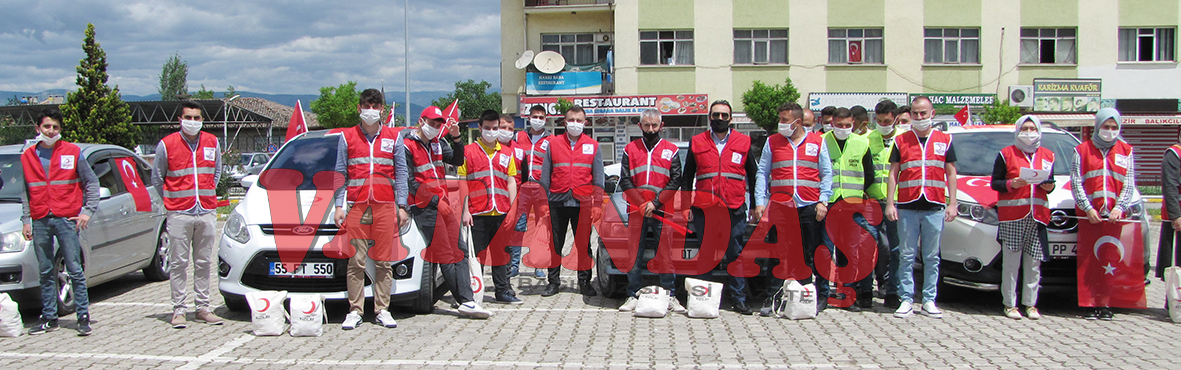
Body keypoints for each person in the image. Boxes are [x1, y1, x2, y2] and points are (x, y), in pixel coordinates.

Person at [396, 106, 492, 319]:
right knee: (447, 255)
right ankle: (465, 301)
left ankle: (467, 300)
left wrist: (457, 138)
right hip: (424, 208)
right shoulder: (407, 146)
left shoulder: (438, 144)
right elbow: (409, 181)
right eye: (432, 123)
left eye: (438, 124)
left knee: (461, 250)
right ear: (421, 121)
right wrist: (434, 201)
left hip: (444, 204)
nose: (435, 127)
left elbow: (458, 160)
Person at [21, 108, 98, 336]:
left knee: (74, 268)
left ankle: (83, 315)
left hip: (66, 218)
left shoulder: (72, 152)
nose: (51, 131)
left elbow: (91, 183)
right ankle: (49, 317)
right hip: (40, 219)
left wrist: (87, 211)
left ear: (60, 130)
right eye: (47, 127)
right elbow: (26, 191)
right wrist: (26, 219)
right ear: (38, 129)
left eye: (55, 127)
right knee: (45, 270)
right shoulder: (27, 156)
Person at [332, 89, 402, 329]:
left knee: (383, 261)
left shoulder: (394, 137)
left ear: (382, 109)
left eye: (375, 106)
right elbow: (340, 174)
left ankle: (382, 309)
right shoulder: (347, 136)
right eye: (366, 105)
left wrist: (401, 206)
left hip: (384, 206)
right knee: (356, 261)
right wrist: (338, 206)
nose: (370, 110)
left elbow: (402, 174)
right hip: (356, 206)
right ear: (359, 108)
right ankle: (355, 310)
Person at [151, 101, 225, 329]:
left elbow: (217, 172)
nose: (193, 122)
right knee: (179, 262)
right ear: (179, 120)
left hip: (206, 210)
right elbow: (157, 177)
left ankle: (202, 307)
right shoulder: (167, 144)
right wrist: (170, 202)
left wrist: (206, 192)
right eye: (188, 117)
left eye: (197, 118)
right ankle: (179, 309)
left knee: (203, 262)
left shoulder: (212, 142)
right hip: (179, 212)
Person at [753, 102, 831, 316]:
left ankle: (803, 297)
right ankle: (772, 296)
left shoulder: (817, 142)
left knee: (806, 254)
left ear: (797, 122)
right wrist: (760, 201)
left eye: (784, 120)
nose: (781, 124)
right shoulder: (773, 142)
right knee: (777, 253)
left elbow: (826, 173)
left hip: (808, 206)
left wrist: (823, 201)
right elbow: (762, 172)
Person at [885, 96, 957, 319]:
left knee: (931, 256)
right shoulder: (902, 140)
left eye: (923, 113)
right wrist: (890, 203)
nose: (919, 117)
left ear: (932, 114)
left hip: (934, 205)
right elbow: (893, 173)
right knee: (906, 255)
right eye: (915, 113)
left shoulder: (945, 139)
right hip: (907, 205)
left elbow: (951, 172)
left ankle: (928, 300)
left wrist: (952, 203)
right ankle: (906, 299)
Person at [683, 100, 757, 314]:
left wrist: (753, 205)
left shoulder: (744, 141)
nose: (720, 119)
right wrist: (686, 205)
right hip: (705, 209)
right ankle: (701, 299)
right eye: (716, 115)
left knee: (735, 254)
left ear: (731, 118)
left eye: (724, 115)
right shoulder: (697, 141)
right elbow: (688, 176)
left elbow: (753, 175)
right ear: (710, 117)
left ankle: (739, 298)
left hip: (734, 207)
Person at [1070, 108, 1135, 321]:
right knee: (1089, 261)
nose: (1110, 131)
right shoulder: (1082, 150)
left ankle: (1106, 304)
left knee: (1110, 260)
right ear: (1097, 127)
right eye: (1106, 127)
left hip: (1114, 217)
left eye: (1114, 127)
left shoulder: (1126, 151)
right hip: (1090, 216)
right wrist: (1087, 208)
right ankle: (1089, 304)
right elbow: (1076, 182)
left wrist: (1120, 207)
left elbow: (1129, 184)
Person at [617, 108, 684, 314]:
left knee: (665, 253)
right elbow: (626, 180)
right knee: (634, 254)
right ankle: (632, 294)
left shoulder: (671, 149)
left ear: (661, 126)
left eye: (654, 125)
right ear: (640, 126)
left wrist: (655, 203)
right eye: (647, 125)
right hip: (636, 210)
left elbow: (675, 180)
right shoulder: (630, 149)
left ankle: (670, 294)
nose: (651, 129)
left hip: (663, 209)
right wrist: (641, 204)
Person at [991, 115, 1054, 320]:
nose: (1028, 133)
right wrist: (1011, 184)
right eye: (1024, 129)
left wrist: (1049, 186)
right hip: (1013, 217)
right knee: (1011, 263)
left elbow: (1051, 183)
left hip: (1037, 216)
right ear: (1017, 131)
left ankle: (1030, 304)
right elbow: (995, 183)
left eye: (1032, 128)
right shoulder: (1006, 154)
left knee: (1034, 263)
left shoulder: (1048, 155)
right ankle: (1010, 304)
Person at [539, 105, 605, 297]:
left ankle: (584, 282)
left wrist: (598, 205)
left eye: (579, 120)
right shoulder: (554, 144)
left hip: (582, 204)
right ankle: (553, 282)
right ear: (564, 122)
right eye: (571, 120)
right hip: (557, 201)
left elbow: (599, 178)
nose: (575, 124)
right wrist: (543, 202)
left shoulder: (593, 145)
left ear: (585, 123)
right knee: (555, 244)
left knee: (583, 245)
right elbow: (545, 175)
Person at [460, 110, 521, 304]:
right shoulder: (468, 152)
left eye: (495, 128)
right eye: (487, 128)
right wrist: (465, 210)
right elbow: (463, 182)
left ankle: (502, 291)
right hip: (477, 212)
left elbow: (511, 181)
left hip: (501, 211)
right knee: (475, 256)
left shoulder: (507, 153)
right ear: (480, 128)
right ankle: (472, 292)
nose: (491, 131)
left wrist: (513, 209)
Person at [823, 107, 877, 312]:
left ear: (853, 123)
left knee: (849, 252)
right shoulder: (822, 141)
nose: (844, 129)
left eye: (847, 126)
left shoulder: (862, 143)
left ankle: (847, 295)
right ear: (832, 123)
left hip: (852, 205)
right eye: (839, 125)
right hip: (829, 203)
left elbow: (869, 174)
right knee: (826, 249)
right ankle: (823, 295)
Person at [866, 102, 907, 309]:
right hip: (872, 201)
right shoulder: (867, 139)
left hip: (897, 202)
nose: (883, 124)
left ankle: (893, 291)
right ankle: (868, 288)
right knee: (874, 247)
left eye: (887, 121)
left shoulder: (904, 140)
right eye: (879, 121)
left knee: (896, 249)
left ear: (896, 119)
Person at [513, 105, 552, 279]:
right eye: (535, 116)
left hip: (541, 190)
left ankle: (539, 264)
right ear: (529, 117)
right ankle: (514, 265)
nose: (538, 119)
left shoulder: (551, 140)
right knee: (518, 227)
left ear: (546, 119)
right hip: (522, 189)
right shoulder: (518, 137)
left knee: (541, 228)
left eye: (541, 117)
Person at [496, 113, 526, 278]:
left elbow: (525, 175)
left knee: (517, 233)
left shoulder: (520, 151)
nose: (506, 131)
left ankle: (514, 266)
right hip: (497, 201)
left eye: (510, 128)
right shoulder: (491, 148)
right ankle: (500, 264)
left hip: (519, 200)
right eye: (503, 127)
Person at [1156, 128, 1181, 287]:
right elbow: (1170, 186)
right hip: (1178, 216)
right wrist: (1176, 215)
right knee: (1176, 266)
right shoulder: (1174, 154)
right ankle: (1174, 303)